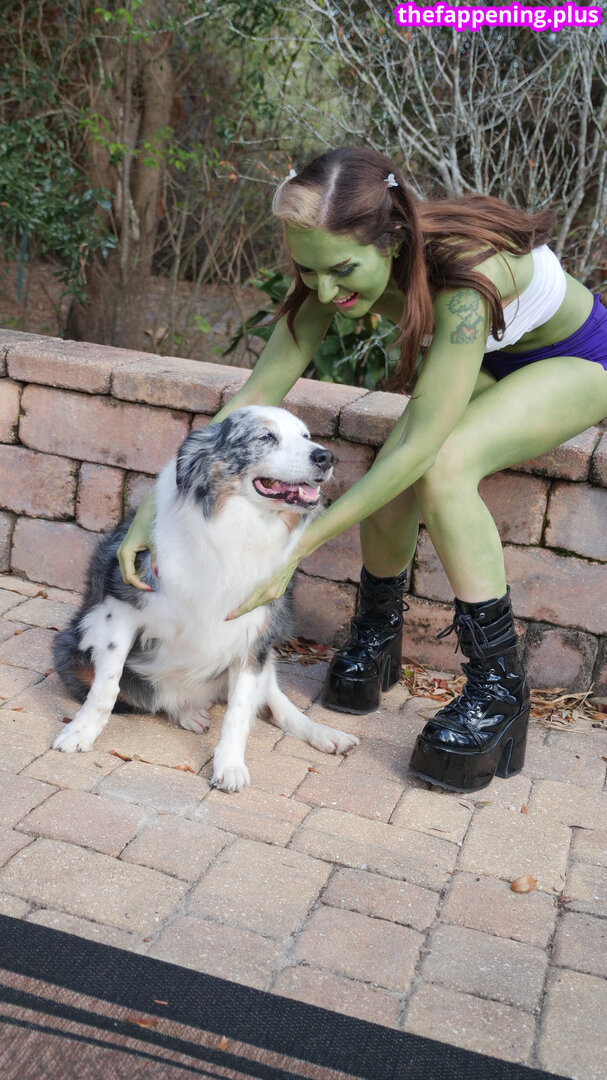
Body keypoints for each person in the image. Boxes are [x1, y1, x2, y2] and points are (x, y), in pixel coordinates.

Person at [117, 146, 607, 793]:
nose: (324, 291)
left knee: (440, 468)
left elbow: (420, 451)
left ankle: (498, 689)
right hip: (488, 360)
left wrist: (296, 547)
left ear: (392, 238)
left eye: (342, 270)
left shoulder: (463, 275)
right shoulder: (331, 268)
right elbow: (254, 396)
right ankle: (377, 639)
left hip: (576, 359)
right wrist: (152, 509)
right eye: (308, 270)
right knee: (391, 486)